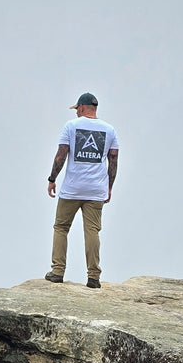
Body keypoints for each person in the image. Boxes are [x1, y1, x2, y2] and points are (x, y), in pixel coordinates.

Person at [45, 92, 118, 289]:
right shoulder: (109, 130)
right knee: (92, 231)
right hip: (96, 190)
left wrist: (52, 179)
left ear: (83, 107)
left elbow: (61, 155)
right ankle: (93, 277)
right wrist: (109, 187)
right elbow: (113, 160)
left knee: (61, 227)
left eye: (77, 108)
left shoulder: (71, 126)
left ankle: (57, 271)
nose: (76, 111)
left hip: (72, 189)